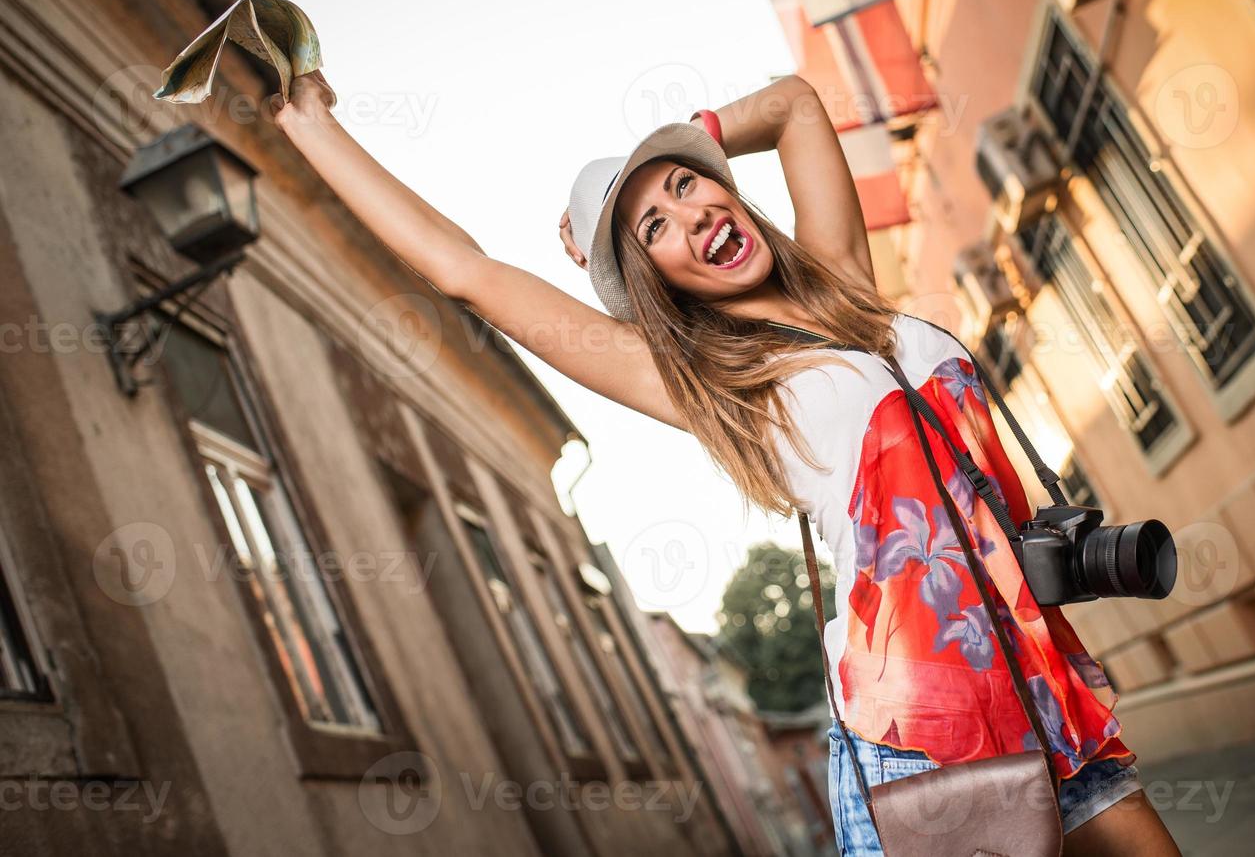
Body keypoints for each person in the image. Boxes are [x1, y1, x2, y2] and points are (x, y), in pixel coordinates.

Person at [268, 69, 1181, 856]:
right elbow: (467, 270)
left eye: (686, 190)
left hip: (1037, 680)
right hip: (925, 734)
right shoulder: (713, 385)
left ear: (727, 189)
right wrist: (311, 118)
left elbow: (791, 105)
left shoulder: (845, 287)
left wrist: (681, 146)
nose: (688, 215)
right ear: (655, 283)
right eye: (654, 229)